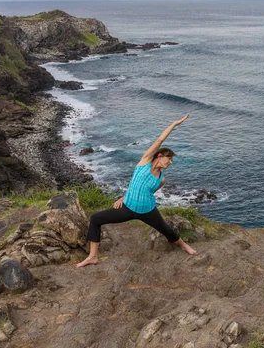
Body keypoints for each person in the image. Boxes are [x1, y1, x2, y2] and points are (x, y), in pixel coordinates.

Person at [76, 114, 196, 268]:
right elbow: (160, 141)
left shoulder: (162, 179)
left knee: (166, 229)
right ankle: (93, 256)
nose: (171, 162)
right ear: (160, 156)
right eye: (169, 159)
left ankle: (184, 246)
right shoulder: (145, 161)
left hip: (148, 210)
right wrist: (174, 124)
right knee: (95, 218)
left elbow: (147, 192)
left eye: (172, 161)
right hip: (127, 208)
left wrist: (129, 196)